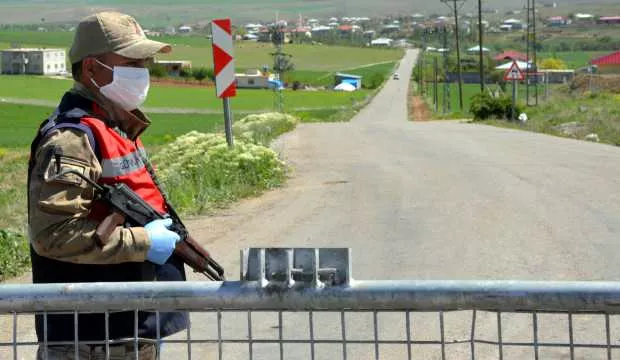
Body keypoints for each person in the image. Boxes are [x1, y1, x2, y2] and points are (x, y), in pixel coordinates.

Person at [28, 12, 187, 360]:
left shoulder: (115, 125)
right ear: (92, 69)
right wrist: (144, 242)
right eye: (131, 62)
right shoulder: (70, 139)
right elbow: (52, 236)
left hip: (126, 327)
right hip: (89, 338)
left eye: (145, 62)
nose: (143, 71)